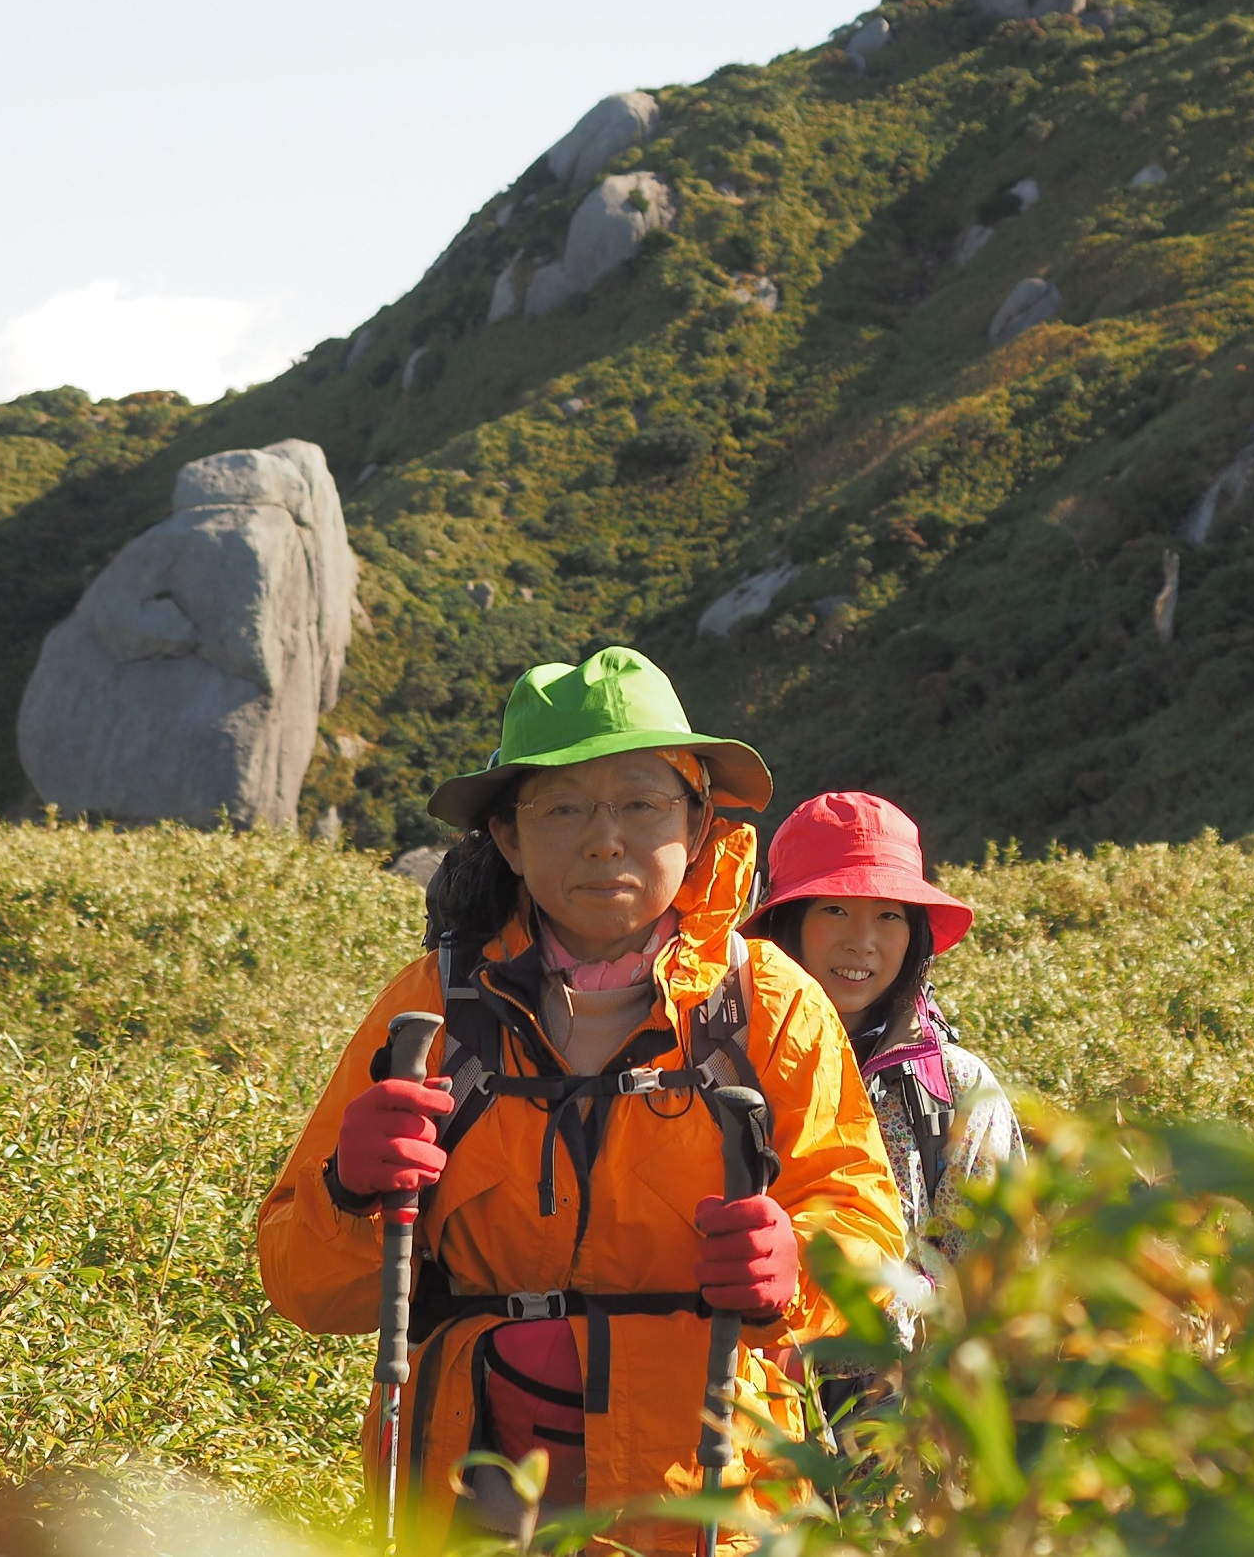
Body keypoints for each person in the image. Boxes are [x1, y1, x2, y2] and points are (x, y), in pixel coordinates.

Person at [256, 649, 905, 1554]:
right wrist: (346, 1191)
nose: (606, 838)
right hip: (466, 1493)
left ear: (699, 820)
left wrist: (799, 1261)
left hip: (708, 1502)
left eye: (642, 803)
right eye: (562, 808)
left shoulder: (770, 1002)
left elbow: (862, 1219)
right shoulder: (431, 1010)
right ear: (511, 843)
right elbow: (305, 1288)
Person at [744, 792, 1022, 1291]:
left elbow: (990, 1285)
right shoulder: (722, 1064)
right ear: (789, 925)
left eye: (888, 916)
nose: (862, 941)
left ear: (914, 935)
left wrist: (897, 1358)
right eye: (834, 910)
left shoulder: (956, 1088)